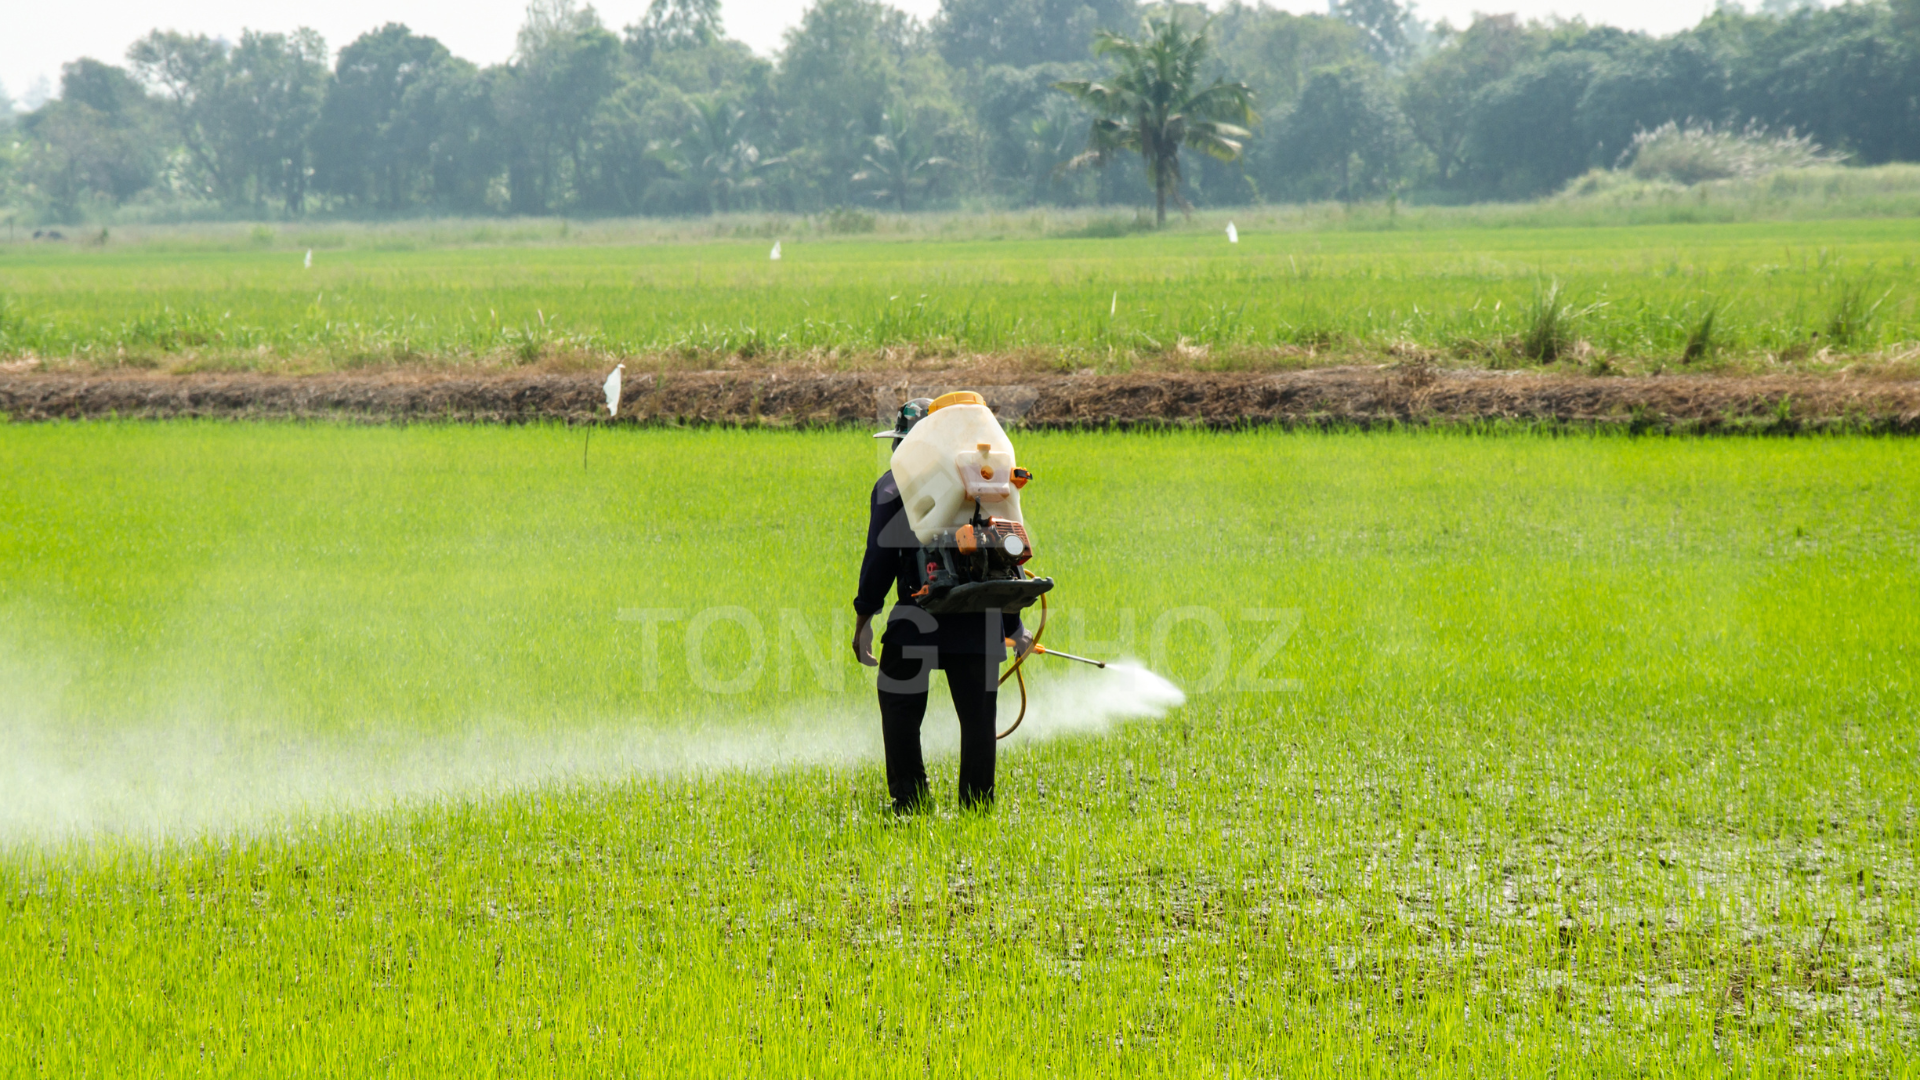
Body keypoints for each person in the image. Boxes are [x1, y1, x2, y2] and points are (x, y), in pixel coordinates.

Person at [853, 398, 1032, 813]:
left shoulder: (893, 486)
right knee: (978, 720)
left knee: (899, 706)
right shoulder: (983, 481)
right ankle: (977, 809)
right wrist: (1011, 623)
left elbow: (879, 558)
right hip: (980, 619)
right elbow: (1004, 555)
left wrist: (865, 617)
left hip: (919, 615)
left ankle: (911, 804)